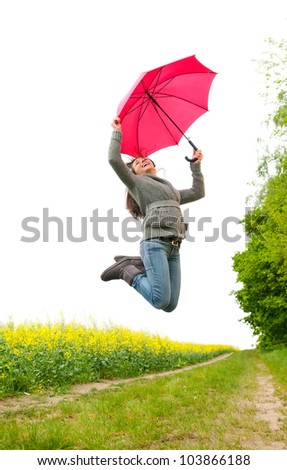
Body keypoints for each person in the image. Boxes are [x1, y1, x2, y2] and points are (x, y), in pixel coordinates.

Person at [100, 116, 205, 312]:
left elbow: (198, 192)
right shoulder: (137, 184)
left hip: (174, 247)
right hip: (154, 243)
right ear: (134, 174)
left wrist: (195, 166)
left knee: (170, 305)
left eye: (145, 159)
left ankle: (138, 264)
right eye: (138, 163)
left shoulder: (170, 189)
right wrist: (117, 133)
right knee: (159, 300)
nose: (143, 161)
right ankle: (126, 270)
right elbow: (113, 160)